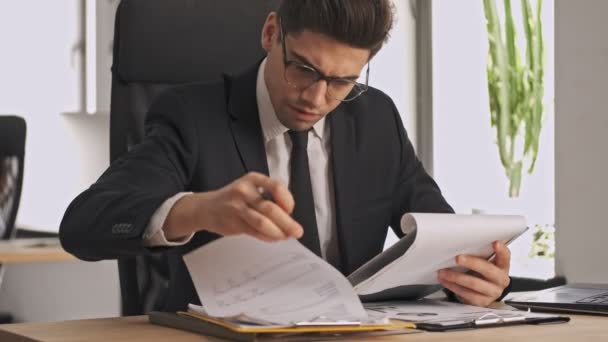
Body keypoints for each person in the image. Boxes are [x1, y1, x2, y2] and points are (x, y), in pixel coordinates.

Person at [60, 0, 512, 311]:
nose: (316, 97)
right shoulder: (192, 116)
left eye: (342, 81)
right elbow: (83, 225)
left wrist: (473, 280)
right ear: (271, 32)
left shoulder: (374, 118)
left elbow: (440, 238)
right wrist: (199, 209)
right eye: (304, 69)